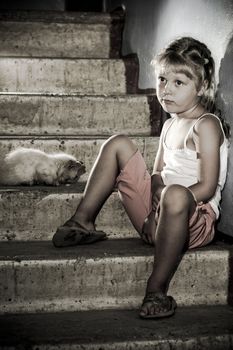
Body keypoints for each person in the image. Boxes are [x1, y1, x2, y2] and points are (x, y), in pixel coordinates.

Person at [52, 37, 229, 319]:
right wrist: (151, 214)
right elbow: (158, 173)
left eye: (178, 83)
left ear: (202, 87)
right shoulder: (171, 124)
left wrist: (163, 204)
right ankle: (82, 221)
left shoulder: (206, 124)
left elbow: (207, 187)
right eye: (161, 79)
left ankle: (156, 290)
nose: (165, 90)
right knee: (117, 143)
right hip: (156, 216)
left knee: (176, 193)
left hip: (195, 219)